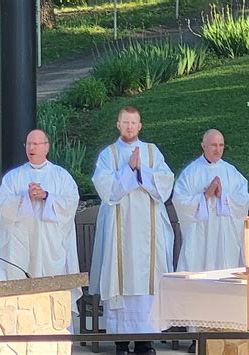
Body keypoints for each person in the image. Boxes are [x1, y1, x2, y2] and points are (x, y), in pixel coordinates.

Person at [89, 106, 175, 355]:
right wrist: (129, 170)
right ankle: (121, 342)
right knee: (119, 277)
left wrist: (141, 170)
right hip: (119, 229)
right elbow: (106, 189)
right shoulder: (109, 154)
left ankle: (145, 341)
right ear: (118, 125)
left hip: (149, 231)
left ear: (140, 126)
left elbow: (164, 184)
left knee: (149, 282)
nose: (129, 126)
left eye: (133, 122)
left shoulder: (152, 152)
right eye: (124, 122)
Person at [0, 129, 82, 312]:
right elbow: (3, 204)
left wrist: (46, 196)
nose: (31, 148)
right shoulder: (13, 177)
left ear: (46, 147)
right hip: (22, 243)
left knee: (53, 289)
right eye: (28, 144)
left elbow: (71, 202)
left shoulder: (61, 175)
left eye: (36, 144)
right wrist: (25, 197)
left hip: (51, 244)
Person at [173, 129, 249, 272]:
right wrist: (205, 196)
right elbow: (180, 201)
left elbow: (243, 200)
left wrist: (223, 196)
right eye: (214, 145)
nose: (218, 150)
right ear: (203, 146)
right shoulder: (191, 173)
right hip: (200, 236)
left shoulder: (231, 172)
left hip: (224, 234)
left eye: (221, 145)